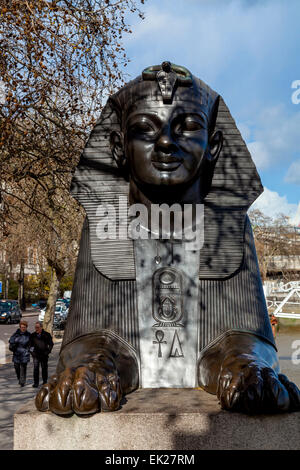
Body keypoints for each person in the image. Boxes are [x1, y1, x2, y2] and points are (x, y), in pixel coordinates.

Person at [30, 321, 53, 388]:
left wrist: (48, 352)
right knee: (36, 369)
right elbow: (30, 346)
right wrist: (32, 353)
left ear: (41, 327)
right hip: (36, 356)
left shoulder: (47, 334)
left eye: (37, 327)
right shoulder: (32, 335)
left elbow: (51, 344)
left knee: (44, 368)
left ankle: (45, 381)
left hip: (44, 355)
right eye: (35, 327)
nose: (36, 329)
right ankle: (36, 383)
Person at [9, 320, 31, 387]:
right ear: (20, 327)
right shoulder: (16, 334)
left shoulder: (29, 335)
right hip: (17, 353)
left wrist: (28, 350)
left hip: (24, 353)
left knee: (23, 368)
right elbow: (11, 341)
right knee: (16, 367)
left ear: (26, 327)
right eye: (22, 327)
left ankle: (22, 382)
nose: (23, 328)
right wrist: (14, 341)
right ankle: (19, 379)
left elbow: (31, 344)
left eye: (24, 327)